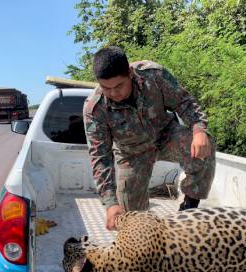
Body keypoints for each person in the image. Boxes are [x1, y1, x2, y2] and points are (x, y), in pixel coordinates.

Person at [83, 46, 216, 231]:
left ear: (129, 73)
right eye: (106, 88)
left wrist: (199, 130)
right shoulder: (95, 109)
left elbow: (184, 103)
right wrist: (110, 203)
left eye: (118, 86)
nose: (114, 93)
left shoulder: (154, 76)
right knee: (130, 221)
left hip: (166, 136)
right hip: (131, 154)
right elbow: (100, 158)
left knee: (205, 142)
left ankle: (188, 209)